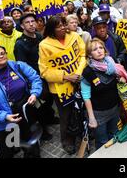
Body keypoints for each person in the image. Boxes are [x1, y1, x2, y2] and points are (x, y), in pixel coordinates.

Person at [0, 45, 43, 158]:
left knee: (30, 144)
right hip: (3, 121)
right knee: (6, 150)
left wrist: (34, 93)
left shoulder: (18, 66)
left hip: (24, 113)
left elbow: (35, 78)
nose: (1, 56)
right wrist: (4, 116)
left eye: (3, 53)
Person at [38, 15, 86, 155]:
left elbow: (82, 55)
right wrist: (66, 76)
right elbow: (44, 71)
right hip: (61, 87)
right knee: (66, 115)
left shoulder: (75, 36)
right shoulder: (44, 45)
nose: (63, 27)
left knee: (82, 108)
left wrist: (77, 73)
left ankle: (83, 132)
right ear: (52, 29)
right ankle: (67, 141)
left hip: (79, 80)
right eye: (59, 26)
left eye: (64, 24)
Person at [14, 13, 57, 140]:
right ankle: (42, 130)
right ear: (22, 26)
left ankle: (50, 118)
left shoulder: (39, 36)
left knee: (49, 100)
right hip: (35, 79)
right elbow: (22, 66)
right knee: (39, 106)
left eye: (33, 21)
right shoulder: (20, 44)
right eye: (27, 22)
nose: (32, 24)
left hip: (47, 74)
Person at [80, 39, 127, 149]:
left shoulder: (112, 64)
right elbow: (86, 97)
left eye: (101, 48)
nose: (99, 51)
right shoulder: (88, 72)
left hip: (114, 109)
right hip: (99, 115)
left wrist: (121, 79)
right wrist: (91, 118)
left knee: (114, 134)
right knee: (102, 141)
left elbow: (117, 80)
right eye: (94, 49)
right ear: (89, 54)